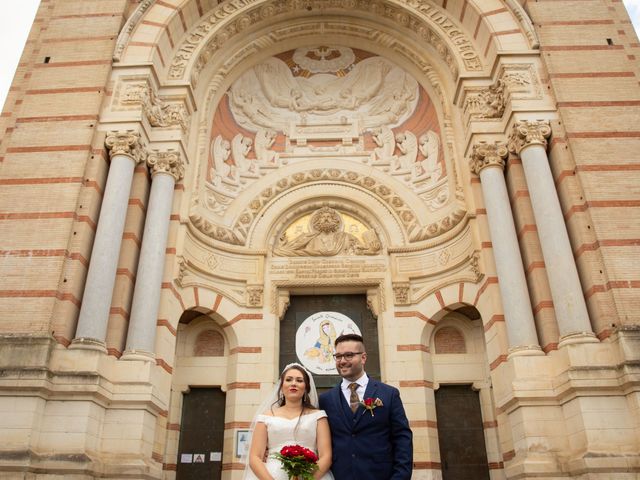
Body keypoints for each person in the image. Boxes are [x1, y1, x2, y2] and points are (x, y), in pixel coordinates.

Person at [319, 334, 413, 480]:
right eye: (338, 356)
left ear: (363, 358)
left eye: (349, 355)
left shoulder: (389, 394)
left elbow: (402, 438)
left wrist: (400, 477)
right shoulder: (325, 399)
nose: (342, 361)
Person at [243, 363, 334, 480]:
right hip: (271, 475)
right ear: (281, 386)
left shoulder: (318, 416)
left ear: (306, 387)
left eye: (299, 380)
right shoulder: (265, 417)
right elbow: (255, 457)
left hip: (311, 475)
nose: (293, 383)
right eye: (289, 380)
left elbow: (326, 456)